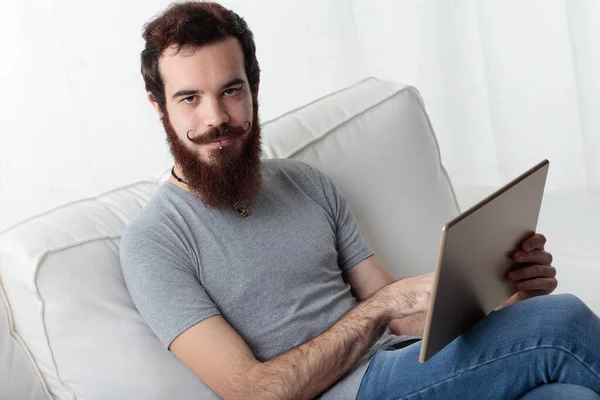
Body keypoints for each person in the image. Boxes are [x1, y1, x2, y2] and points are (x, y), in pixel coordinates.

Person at [119, 2, 600, 399]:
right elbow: (252, 392)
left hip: (405, 368)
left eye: (231, 91)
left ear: (255, 87)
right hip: (347, 393)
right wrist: (381, 309)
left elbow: (405, 316)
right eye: (189, 99)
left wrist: (507, 296)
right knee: (562, 320)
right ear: (157, 106)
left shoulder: (306, 184)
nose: (216, 117)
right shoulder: (154, 243)